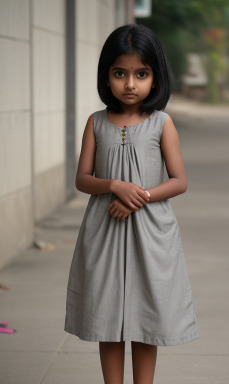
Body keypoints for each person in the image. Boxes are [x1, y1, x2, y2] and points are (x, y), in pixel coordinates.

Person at [64, 23, 200, 384]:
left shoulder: (162, 123)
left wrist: (139, 197)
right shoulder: (96, 123)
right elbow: (82, 179)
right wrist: (114, 186)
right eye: (119, 73)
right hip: (103, 231)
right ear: (106, 76)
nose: (129, 84)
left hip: (151, 234)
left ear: (155, 78)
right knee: (106, 318)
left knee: (145, 319)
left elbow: (179, 180)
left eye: (141, 74)